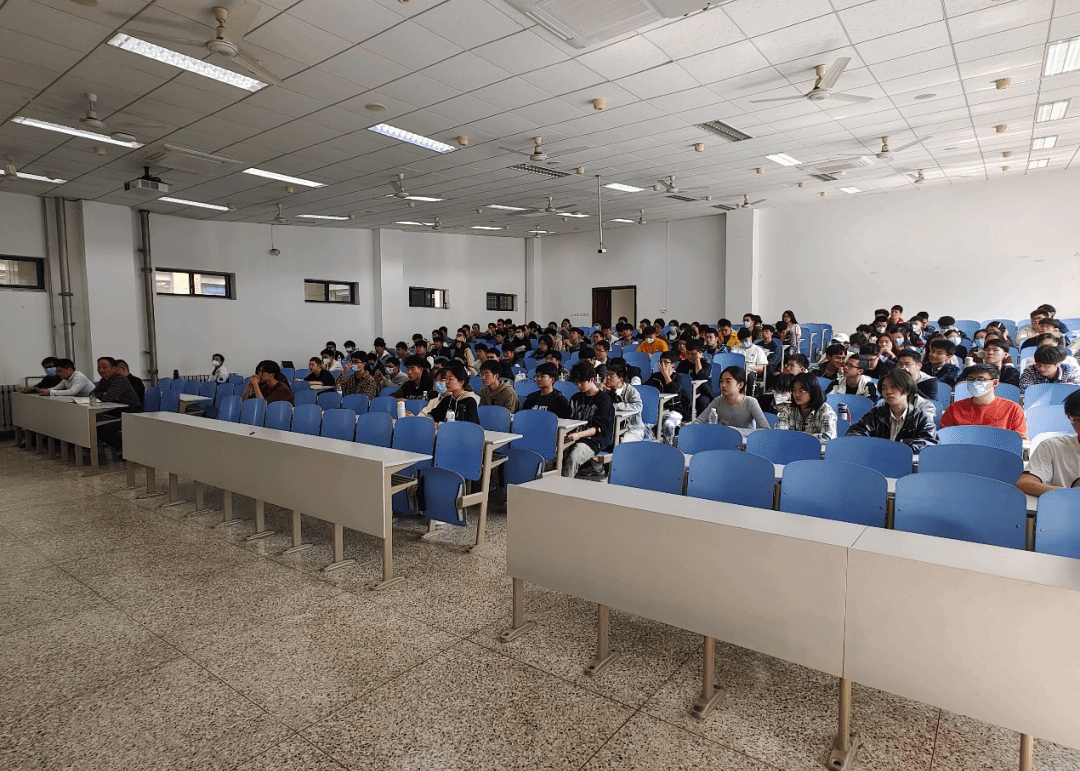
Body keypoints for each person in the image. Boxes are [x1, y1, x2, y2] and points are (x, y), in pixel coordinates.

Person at [846, 369, 938, 453]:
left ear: (908, 390)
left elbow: (930, 442)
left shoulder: (920, 417)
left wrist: (898, 446)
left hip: (905, 461)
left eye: (894, 387)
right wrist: (873, 446)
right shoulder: (876, 414)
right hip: (876, 458)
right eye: (884, 388)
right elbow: (854, 433)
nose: (888, 391)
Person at [1016, 391, 1080, 497]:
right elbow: (1025, 483)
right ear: (1072, 422)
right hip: (1063, 506)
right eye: (1079, 419)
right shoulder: (1051, 446)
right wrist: (1070, 494)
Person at [940, 364, 1027, 437]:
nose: (974, 383)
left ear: (995, 383)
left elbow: (1019, 440)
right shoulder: (954, 408)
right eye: (971, 379)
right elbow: (945, 437)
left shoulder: (1013, 409)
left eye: (981, 379)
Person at [562, 362, 615, 479]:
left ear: (592, 380)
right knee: (554, 453)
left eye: (582, 382)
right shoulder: (575, 398)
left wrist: (578, 435)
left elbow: (599, 428)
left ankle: (564, 485)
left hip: (593, 440)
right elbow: (568, 419)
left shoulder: (603, 399)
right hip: (573, 436)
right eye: (576, 382)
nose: (579, 385)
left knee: (573, 457)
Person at [695, 366, 770, 430]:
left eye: (728, 382)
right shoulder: (718, 401)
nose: (723, 385)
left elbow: (765, 428)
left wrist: (734, 432)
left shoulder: (750, 402)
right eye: (721, 381)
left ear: (740, 385)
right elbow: (698, 421)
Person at [776, 372, 837, 443]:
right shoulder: (788, 409)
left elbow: (828, 437)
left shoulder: (826, 411)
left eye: (801, 391)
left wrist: (798, 437)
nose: (797, 394)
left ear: (812, 391)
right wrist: (808, 436)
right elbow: (779, 433)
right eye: (794, 390)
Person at [647, 351, 688, 444]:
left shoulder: (678, 377)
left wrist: (666, 374)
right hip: (657, 411)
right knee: (646, 425)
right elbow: (647, 389)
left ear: (673, 364)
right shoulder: (655, 376)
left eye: (666, 362)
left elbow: (673, 390)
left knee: (668, 425)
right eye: (661, 362)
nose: (662, 365)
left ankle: (668, 445)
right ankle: (652, 445)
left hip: (674, 410)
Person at [603, 362, 646, 443]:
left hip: (632, 428)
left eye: (611, 375)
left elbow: (638, 406)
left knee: (622, 444)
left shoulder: (631, 390)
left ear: (621, 379)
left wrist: (617, 406)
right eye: (607, 375)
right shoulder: (606, 391)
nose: (607, 378)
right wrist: (599, 392)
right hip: (613, 428)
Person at [677, 339, 713, 415]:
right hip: (687, 392)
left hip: (703, 392)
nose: (690, 356)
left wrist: (697, 360)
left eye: (693, 354)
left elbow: (701, 376)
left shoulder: (706, 363)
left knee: (702, 402)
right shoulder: (683, 364)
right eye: (688, 353)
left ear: (700, 353)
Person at [735, 327, 768, 394]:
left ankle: (749, 395)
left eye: (746, 340)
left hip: (751, 371)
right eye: (742, 341)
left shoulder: (758, 350)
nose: (744, 342)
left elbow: (761, 368)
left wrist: (748, 367)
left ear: (751, 337)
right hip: (738, 371)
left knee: (750, 376)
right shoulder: (736, 349)